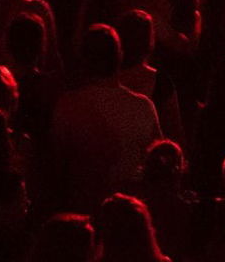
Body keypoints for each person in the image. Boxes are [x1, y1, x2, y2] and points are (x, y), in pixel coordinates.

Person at [47, 25, 163, 213]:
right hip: (129, 212)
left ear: (84, 59)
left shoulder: (68, 105)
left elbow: (57, 166)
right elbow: (158, 165)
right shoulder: (142, 107)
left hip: (82, 210)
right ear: (120, 56)